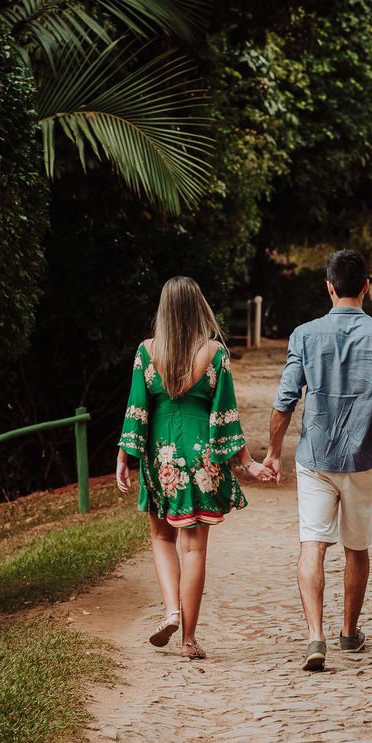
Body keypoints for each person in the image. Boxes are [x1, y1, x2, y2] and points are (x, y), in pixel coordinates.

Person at [264, 250, 372, 671]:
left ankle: (315, 638)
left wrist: (273, 452)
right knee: (357, 548)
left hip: (316, 458)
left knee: (313, 545)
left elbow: (284, 402)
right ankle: (349, 633)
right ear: (366, 286)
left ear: (329, 287)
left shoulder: (305, 335)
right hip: (363, 457)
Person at [116, 276, 272, 660]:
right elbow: (226, 415)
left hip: (161, 456)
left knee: (161, 537)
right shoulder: (215, 353)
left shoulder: (146, 351)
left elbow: (137, 410)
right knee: (195, 549)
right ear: (199, 307)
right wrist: (247, 463)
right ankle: (188, 639)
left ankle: (170, 609)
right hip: (203, 458)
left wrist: (124, 457)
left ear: (164, 310)